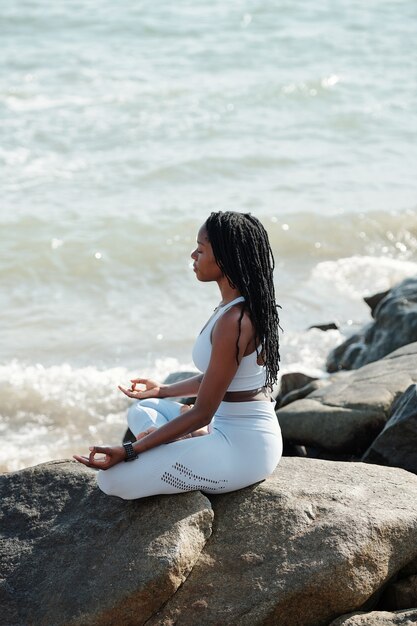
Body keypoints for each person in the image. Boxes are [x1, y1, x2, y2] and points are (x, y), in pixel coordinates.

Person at [74, 211, 283, 499]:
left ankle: (183, 439)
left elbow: (202, 411)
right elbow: (217, 377)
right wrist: (162, 390)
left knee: (110, 482)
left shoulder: (234, 321)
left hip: (243, 449)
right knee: (142, 409)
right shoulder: (234, 308)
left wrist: (130, 449)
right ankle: (185, 438)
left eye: (201, 248)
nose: (193, 254)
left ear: (224, 257)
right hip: (222, 428)